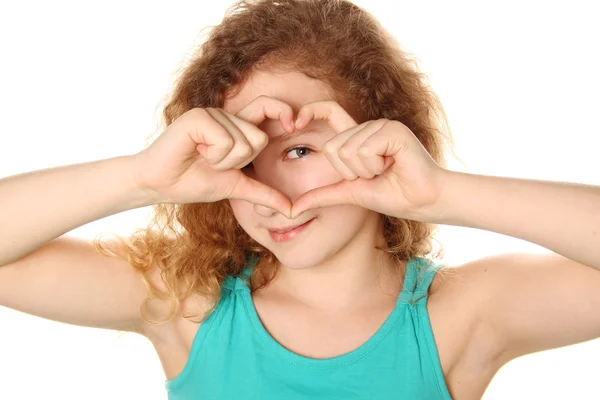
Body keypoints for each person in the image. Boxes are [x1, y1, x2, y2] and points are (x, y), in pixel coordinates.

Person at [1, 0, 599, 399]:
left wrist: (442, 192)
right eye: (240, 159)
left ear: (381, 139)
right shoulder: (188, 306)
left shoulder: (461, 316)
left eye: (298, 151)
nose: (268, 196)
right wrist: (144, 178)